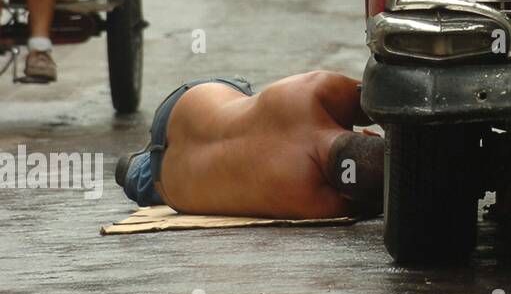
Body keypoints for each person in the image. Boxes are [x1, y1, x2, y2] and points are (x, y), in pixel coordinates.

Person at [116, 71, 384, 219]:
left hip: (185, 105)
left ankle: (148, 160)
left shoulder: (313, 90)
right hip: (172, 186)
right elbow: (383, 203)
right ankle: (136, 171)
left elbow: (383, 98)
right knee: (220, 176)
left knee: (242, 99)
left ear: (370, 136)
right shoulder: (316, 203)